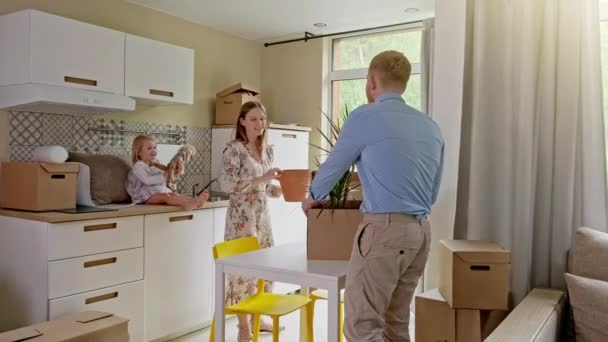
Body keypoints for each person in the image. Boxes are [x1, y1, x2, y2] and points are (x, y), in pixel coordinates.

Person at [302, 50, 445, 341]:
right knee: (396, 321)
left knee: (361, 325)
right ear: (404, 83)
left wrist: (313, 195)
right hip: (420, 233)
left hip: (385, 232)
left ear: (370, 81)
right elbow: (432, 192)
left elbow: (335, 165)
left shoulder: (365, 117)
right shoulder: (430, 127)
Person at [219, 101, 283, 341]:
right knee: (242, 271)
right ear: (243, 121)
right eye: (254, 119)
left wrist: (273, 188)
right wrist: (262, 179)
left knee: (267, 267)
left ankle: (259, 317)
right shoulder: (233, 149)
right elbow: (227, 184)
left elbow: (263, 186)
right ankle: (243, 326)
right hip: (241, 219)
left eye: (262, 119)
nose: (259, 124)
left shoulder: (268, 150)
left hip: (262, 217)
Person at [126, 135, 208, 210]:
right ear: (139, 152)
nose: (153, 150)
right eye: (149, 148)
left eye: (155, 147)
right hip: (142, 196)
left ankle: (195, 201)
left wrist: (172, 173)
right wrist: (165, 176)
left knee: (173, 194)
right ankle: (187, 204)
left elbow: (162, 176)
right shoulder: (138, 166)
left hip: (152, 192)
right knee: (165, 196)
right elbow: (148, 180)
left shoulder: (155, 163)